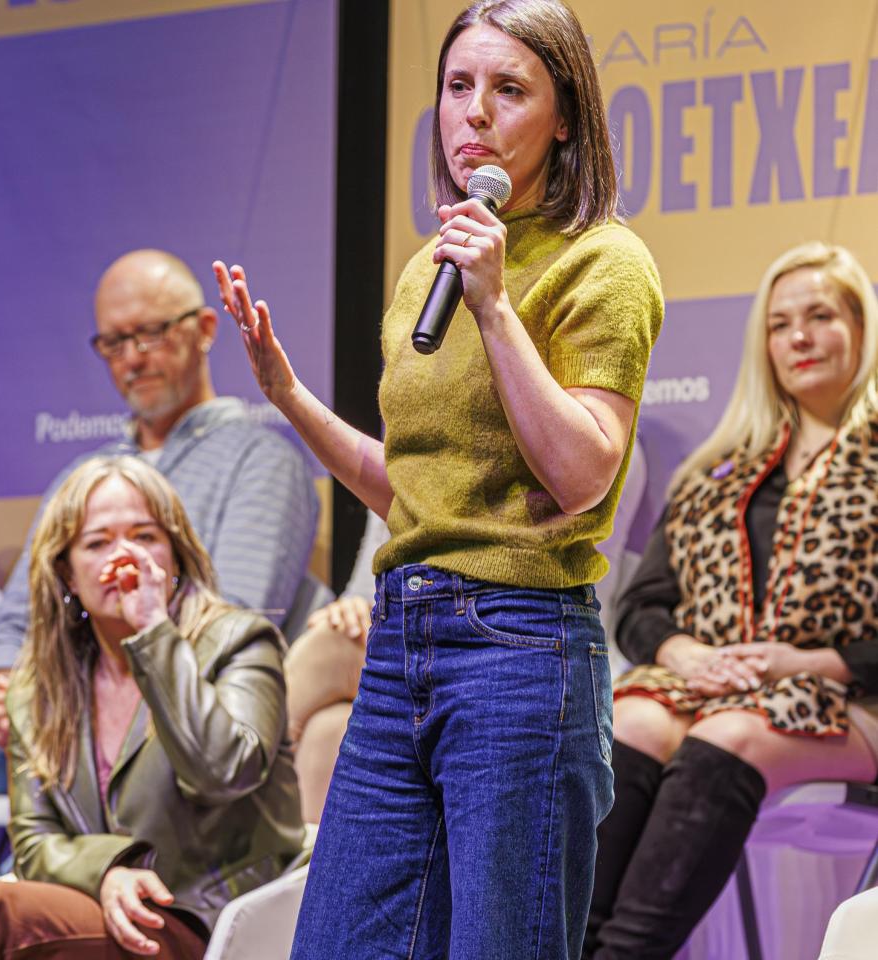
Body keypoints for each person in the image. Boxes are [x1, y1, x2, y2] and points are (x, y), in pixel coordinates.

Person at [216, 0, 663, 955]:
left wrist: (498, 309)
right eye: (458, 88)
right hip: (401, 641)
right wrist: (290, 396)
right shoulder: (429, 268)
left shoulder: (604, 262)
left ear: (566, 115)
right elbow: (412, 494)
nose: (474, 114)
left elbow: (583, 472)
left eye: (509, 90)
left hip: (521, 646)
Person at [0, 248, 317, 873]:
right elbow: (15, 625)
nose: (134, 356)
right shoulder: (80, 476)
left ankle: (11, 891)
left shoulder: (260, 459)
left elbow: (229, 618)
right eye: (115, 341)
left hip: (171, 719)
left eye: (152, 332)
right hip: (54, 713)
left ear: (206, 329)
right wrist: (5, 691)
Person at [586, 242, 878, 958]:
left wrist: (803, 661)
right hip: (713, 690)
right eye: (781, 324)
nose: (799, 337)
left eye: (820, 317)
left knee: (730, 734)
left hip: (853, 699)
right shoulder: (718, 469)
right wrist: (686, 654)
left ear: (862, 330)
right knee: (633, 717)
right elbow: (641, 606)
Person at [0, 456, 303, 959]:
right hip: (101, 912)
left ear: (174, 555)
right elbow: (33, 841)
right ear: (66, 572)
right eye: (97, 543)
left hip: (214, 920)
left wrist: (154, 631)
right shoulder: (38, 686)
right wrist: (108, 870)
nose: (125, 556)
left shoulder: (237, 641)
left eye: (146, 536)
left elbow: (221, 772)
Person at [283, 510, 386, 825]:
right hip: (384, 623)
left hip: (454, 624)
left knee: (326, 647)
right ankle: (297, 869)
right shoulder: (396, 461)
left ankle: (237, 796)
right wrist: (348, 606)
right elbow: (364, 587)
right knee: (327, 731)